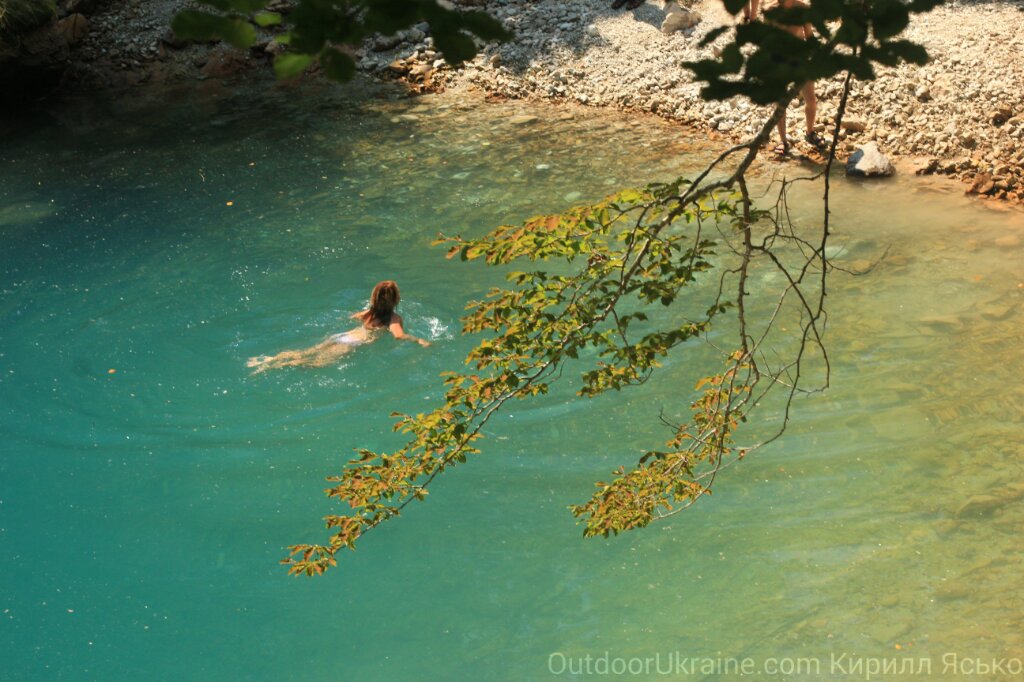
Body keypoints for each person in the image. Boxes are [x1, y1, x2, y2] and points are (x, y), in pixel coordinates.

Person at [247, 280, 430, 374]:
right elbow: (398, 335)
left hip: (342, 336)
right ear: (396, 299)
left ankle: (269, 360)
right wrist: (419, 340)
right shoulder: (393, 318)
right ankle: (275, 367)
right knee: (316, 363)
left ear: (374, 297)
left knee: (307, 351)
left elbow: (353, 317)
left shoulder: (368, 312)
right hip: (351, 344)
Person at [767, 0, 824, 154]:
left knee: (811, 99)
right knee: (780, 103)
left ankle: (810, 132)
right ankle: (783, 141)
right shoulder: (770, 10)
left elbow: (809, 35)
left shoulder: (802, 8)